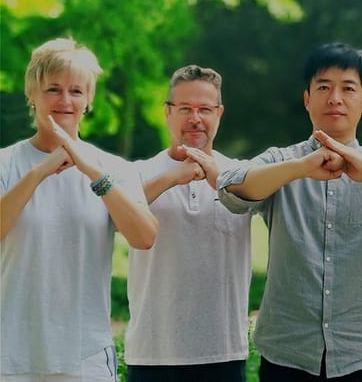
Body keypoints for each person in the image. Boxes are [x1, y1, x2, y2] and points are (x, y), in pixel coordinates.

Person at [217, 42, 362, 381]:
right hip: (288, 351)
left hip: (361, 352)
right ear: (307, 98)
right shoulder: (282, 162)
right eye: (323, 87)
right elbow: (230, 187)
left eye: (348, 88)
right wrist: (301, 168)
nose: (335, 98)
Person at [0, 37, 158, 381]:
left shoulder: (112, 168)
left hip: (85, 357)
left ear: (89, 100)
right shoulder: (6, 164)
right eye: (53, 89)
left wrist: (93, 172)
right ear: (32, 93)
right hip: (11, 355)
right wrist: (39, 172)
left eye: (76, 91)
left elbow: (145, 236)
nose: (65, 100)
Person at [124, 65, 252, 382]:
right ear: (167, 112)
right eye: (185, 109)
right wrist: (172, 177)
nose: (195, 118)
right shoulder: (137, 173)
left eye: (205, 109)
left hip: (223, 351)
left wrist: (218, 178)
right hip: (152, 352)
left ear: (219, 113)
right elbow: (116, 215)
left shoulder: (241, 174)